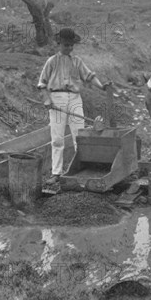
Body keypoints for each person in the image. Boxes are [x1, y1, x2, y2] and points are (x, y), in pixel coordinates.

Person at [37, 28, 110, 185]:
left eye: (71, 45)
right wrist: (47, 101)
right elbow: (41, 84)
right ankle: (56, 173)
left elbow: (90, 77)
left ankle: (81, 169)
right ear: (59, 44)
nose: (69, 48)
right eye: (66, 45)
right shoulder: (51, 62)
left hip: (75, 99)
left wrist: (102, 86)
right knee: (57, 138)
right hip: (57, 98)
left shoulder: (77, 61)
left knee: (80, 136)